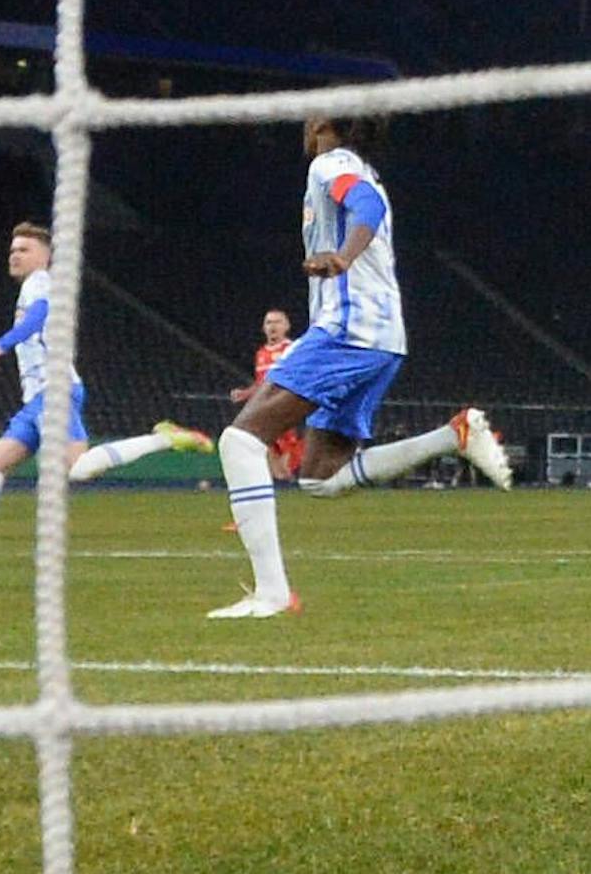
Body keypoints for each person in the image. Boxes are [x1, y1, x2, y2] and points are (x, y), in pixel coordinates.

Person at [210, 117, 509, 620]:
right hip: (382, 338)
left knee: (239, 441)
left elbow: (364, 207)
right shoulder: (361, 168)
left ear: (327, 122)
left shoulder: (333, 163)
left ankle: (272, 594)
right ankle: (453, 436)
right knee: (321, 477)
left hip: (350, 329)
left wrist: (343, 257)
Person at [0, 222, 213, 567]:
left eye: (24, 250)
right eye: (12, 250)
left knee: (77, 469)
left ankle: (165, 439)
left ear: (46, 256)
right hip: (36, 399)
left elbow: (40, 316)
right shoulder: (30, 287)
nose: (15, 255)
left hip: (55, 392)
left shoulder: (42, 282)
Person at [230, 308, 304, 482]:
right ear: (263, 328)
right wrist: (246, 393)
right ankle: (282, 479)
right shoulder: (261, 354)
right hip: (266, 406)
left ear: (286, 326)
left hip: (286, 406)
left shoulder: (292, 349)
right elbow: (261, 384)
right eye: (269, 322)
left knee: (281, 452)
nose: (273, 326)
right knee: (267, 449)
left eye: (277, 322)